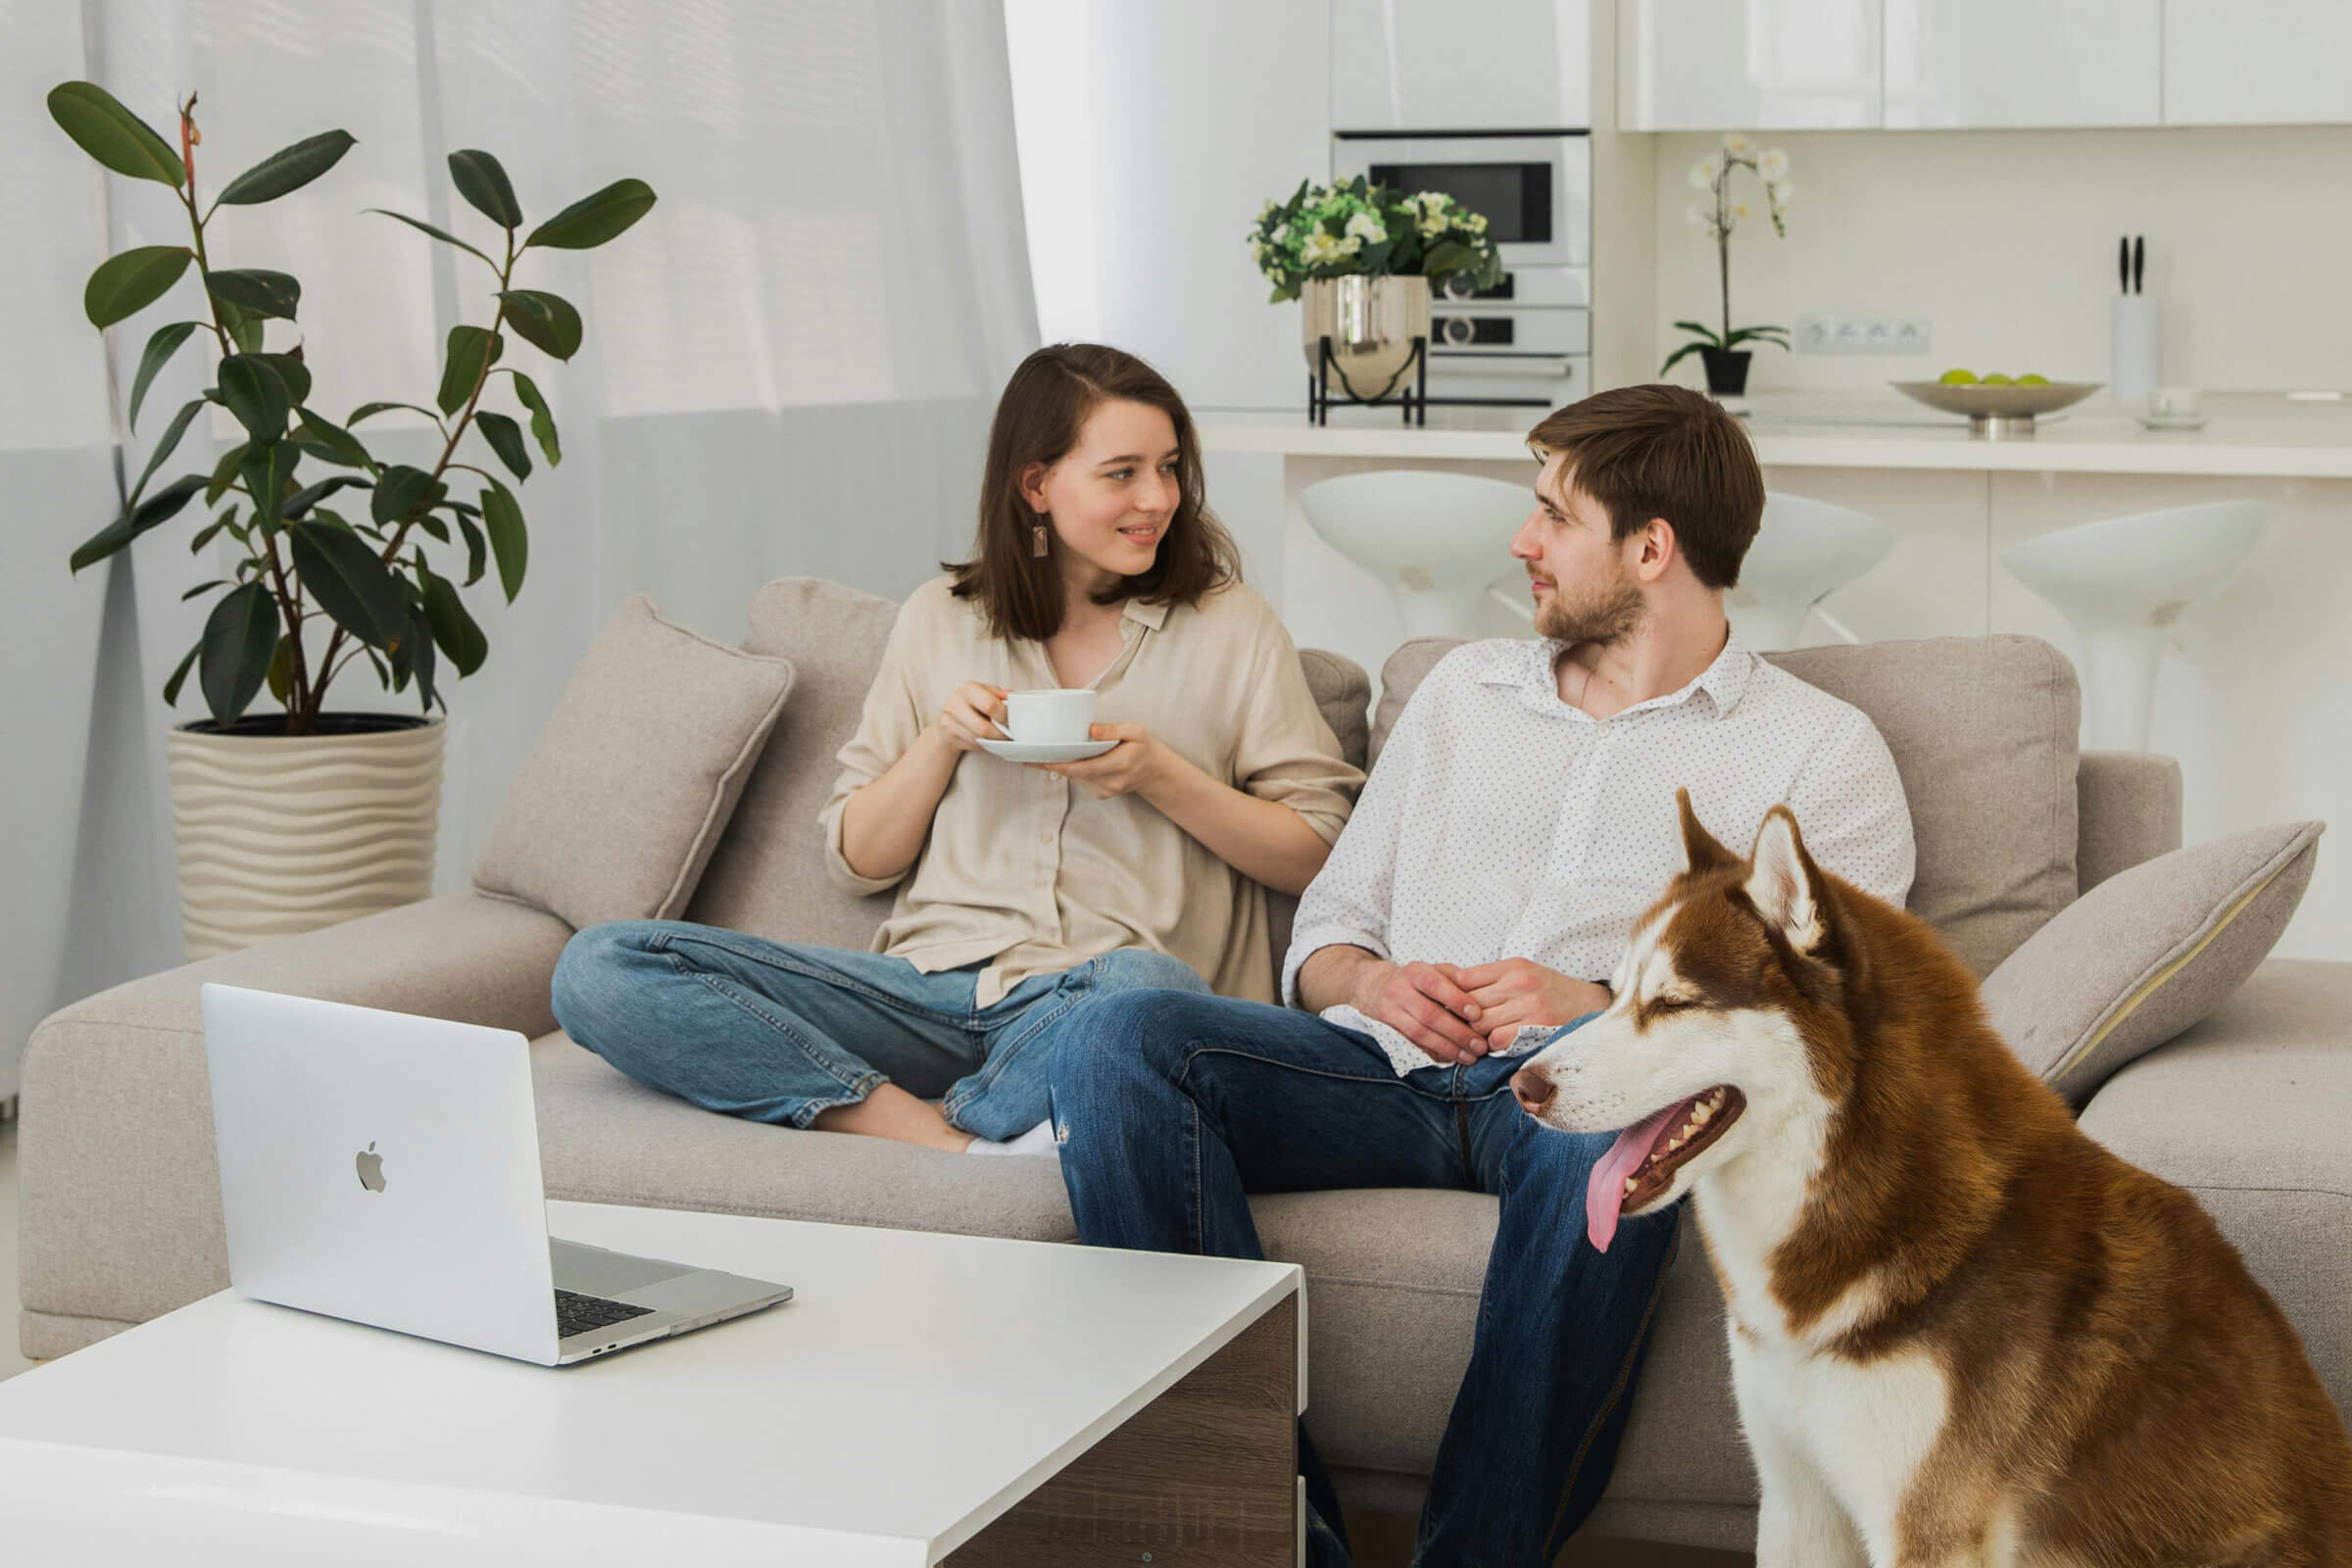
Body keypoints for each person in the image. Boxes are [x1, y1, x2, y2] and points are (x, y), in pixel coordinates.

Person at [1046, 383, 1916, 1563]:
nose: (1522, 544)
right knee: (1115, 1040)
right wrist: (1366, 984)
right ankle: (1267, 1535)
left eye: (1554, 516)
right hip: (1378, 1072)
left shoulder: (1817, 752)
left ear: (1651, 549)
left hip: (1581, 1097)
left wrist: (1603, 1010)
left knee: (1610, 1145)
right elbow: (1330, 925)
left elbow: (1838, 1019)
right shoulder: (1464, 694)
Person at [552, 344, 1363, 1153]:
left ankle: (990, 1114)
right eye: (1122, 473)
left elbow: (1320, 854)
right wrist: (941, 742)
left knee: (1149, 992)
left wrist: (1158, 774)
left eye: (1169, 468)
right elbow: (858, 860)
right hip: (927, 994)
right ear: (1037, 485)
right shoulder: (940, 617)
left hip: (1102, 995)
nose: (1157, 498)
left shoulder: (1231, 625)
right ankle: (943, 1136)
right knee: (603, 965)